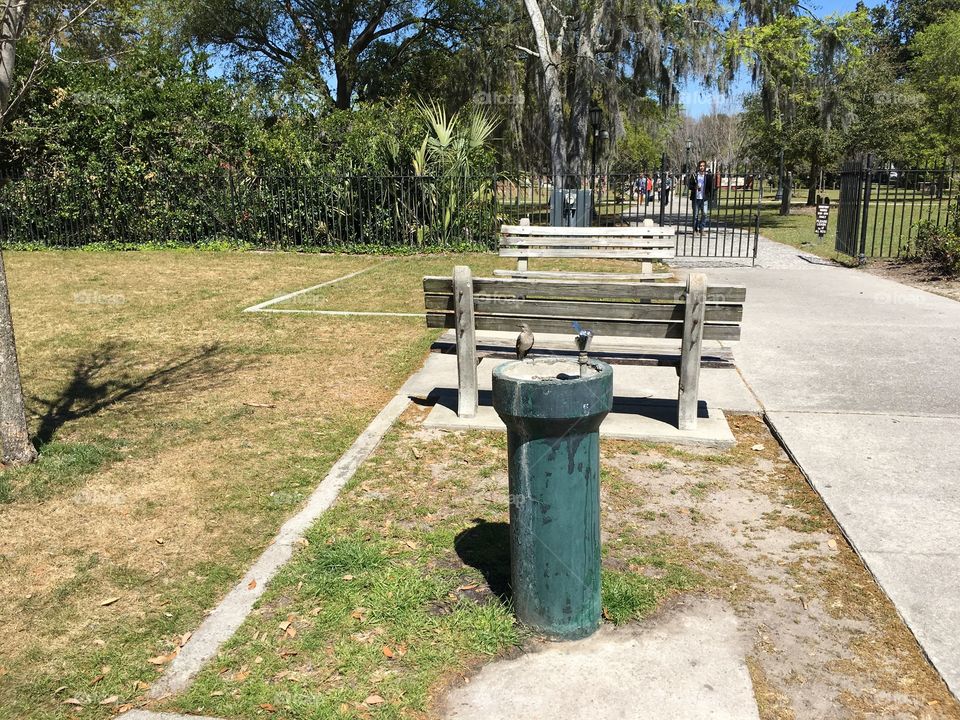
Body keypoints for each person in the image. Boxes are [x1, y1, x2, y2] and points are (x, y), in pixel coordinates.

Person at [687, 160, 713, 233]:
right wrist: (695, 187)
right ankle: (695, 229)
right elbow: (689, 185)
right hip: (696, 198)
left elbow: (711, 187)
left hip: (704, 198)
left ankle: (702, 228)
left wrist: (711, 197)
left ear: (705, 167)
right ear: (698, 167)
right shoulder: (695, 176)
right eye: (700, 166)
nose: (702, 167)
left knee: (704, 213)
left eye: (703, 166)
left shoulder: (708, 176)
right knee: (695, 215)